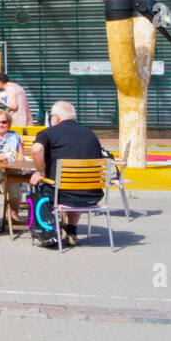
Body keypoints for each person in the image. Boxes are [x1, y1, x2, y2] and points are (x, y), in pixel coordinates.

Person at [30, 101, 104, 247]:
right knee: (75, 185)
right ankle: (71, 230)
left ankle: (50, 230)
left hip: (62, 194)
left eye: (51, 116)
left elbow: (36, 150)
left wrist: (42, 172)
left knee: (38, 185)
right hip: (91, 195)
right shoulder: (91, 134)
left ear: (56, 118)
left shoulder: (49, 133)